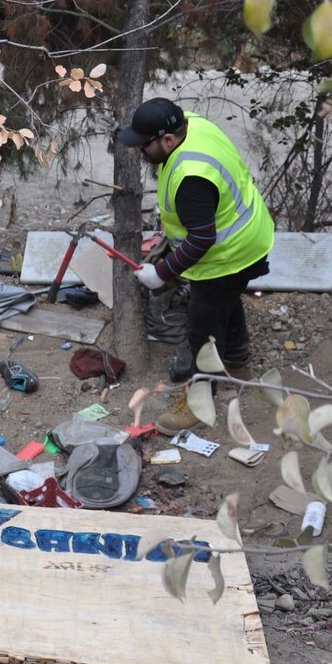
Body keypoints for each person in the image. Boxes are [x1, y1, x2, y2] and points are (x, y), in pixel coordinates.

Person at [118, 97, 274, 434]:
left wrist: (161, 272)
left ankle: (197, 404)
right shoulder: (192, 125)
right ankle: (237, 364)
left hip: (229, 253)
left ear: (168, 140)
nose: (141, 152)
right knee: (226, 301)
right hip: (250, 234)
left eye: (145, 145)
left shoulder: (191, 176)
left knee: (202, 327)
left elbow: (202, 239)